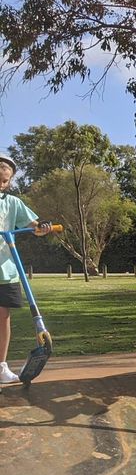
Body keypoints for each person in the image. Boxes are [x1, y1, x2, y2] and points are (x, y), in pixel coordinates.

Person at [0, 154, 53, 384]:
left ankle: (1, 367)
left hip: (6, 269)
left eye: (5, 179)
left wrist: (42, 228)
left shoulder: (12, 202)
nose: (2, 181)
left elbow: (33, 227)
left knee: (3, 317)